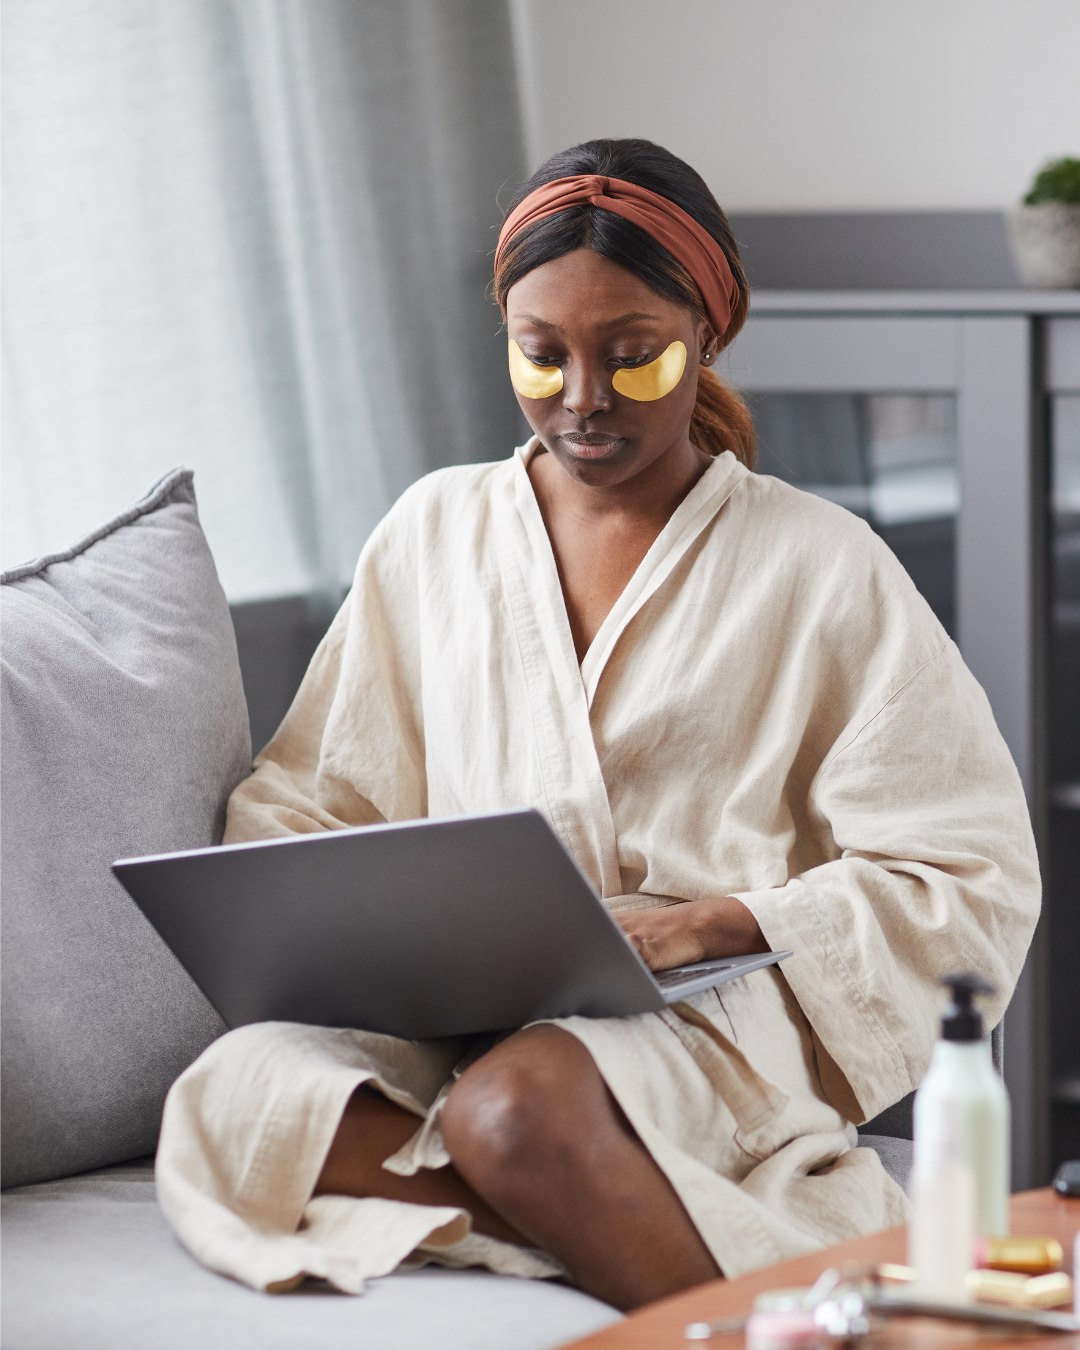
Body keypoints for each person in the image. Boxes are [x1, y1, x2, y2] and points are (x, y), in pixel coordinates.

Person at [156, 139, 1039, 1312]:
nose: (582, 397)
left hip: (705, 1009)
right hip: (457, 1000)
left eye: (633, 356)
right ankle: (613, 1209)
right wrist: (349, 925)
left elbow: (967, 875)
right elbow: (316, 791)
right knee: (237, 1095)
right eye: (542, 355)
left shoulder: (823, 565)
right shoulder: (432, 533)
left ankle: (649, 1251)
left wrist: (713, 924)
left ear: (706, 335)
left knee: (512, 1109)